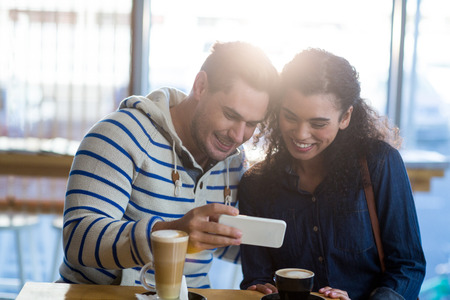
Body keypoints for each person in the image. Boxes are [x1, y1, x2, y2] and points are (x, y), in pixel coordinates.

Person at [57, 41, 279, 289]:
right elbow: (78, 240)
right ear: (201, 86)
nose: (239, 136)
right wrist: (172, 233)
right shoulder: (120, 134)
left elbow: (221, 243)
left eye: (251, 124)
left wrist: (266, 272)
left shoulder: (233, 163)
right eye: (231, 115)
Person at [238, 48, 426, 300]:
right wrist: (260, 288)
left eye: (318, 123)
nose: (301, 134)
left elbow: (408, 266)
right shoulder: (256, 184)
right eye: (290, 117)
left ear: (345, 117)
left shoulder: (379, 164)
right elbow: (257, 277)